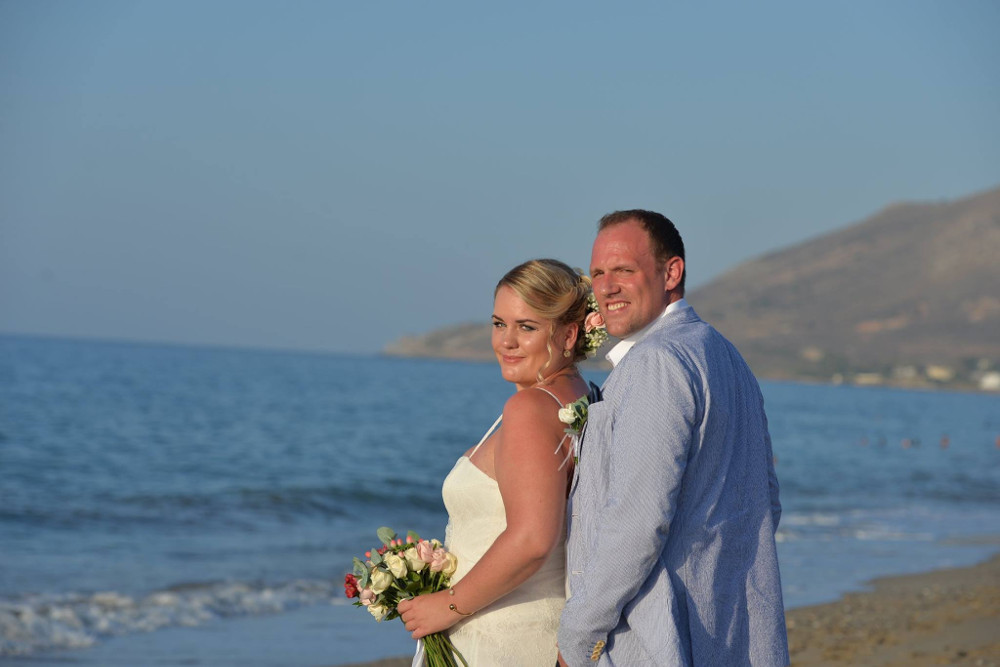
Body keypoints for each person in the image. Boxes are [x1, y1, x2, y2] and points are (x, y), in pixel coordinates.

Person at [557, 211, 789, 666]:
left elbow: (637, 523)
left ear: (671, 272)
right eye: (598, 273)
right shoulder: (725, 357)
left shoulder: (656, 364)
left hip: (660, 638)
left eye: (623, 269)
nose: (605, 288)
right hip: (729, 632)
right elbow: (766, 502)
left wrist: (577, 636)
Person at [399, 259, 599, 666]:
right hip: (542, 633)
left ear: (568, 334)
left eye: (526, 327)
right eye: (498, 323)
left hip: (500, 640)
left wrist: (446, 605)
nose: (506, 341)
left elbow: (533, 539)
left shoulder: (529, 407)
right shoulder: (586, 396)